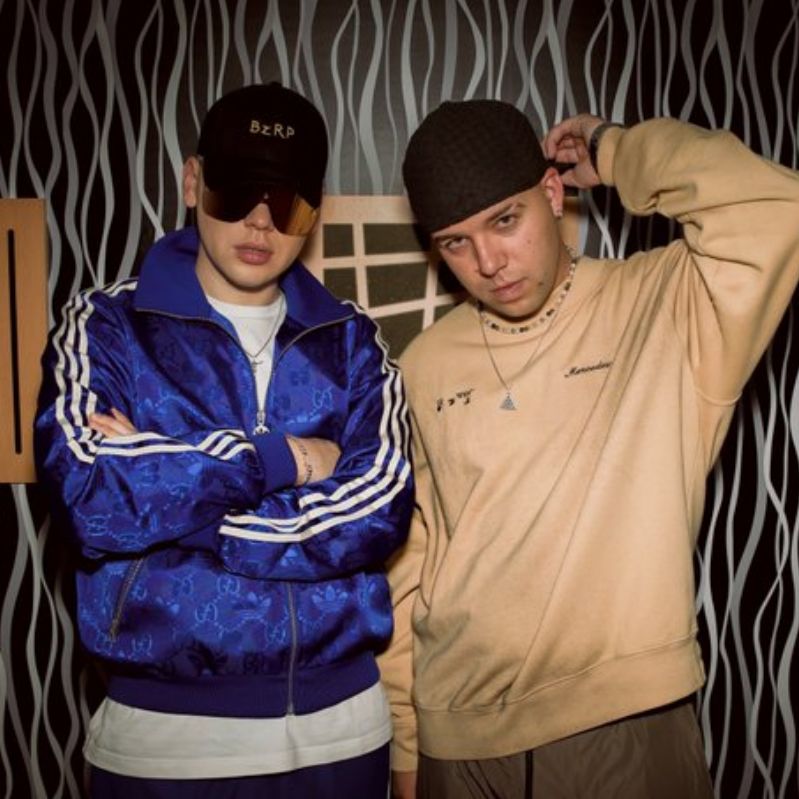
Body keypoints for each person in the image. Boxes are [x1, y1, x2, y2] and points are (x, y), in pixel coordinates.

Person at [378, 99, 799, 798]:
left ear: (551, 193)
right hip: (455, 736)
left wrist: (614, 148)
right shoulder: (423, 364)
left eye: (504, 221)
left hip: (621, 728)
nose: (487, 262)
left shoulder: (666, 301)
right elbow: (410, 562)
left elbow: (778, 208)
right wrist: (408, 739)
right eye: (454, 242)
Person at [34, 82, 413, 798]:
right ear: (192, 181)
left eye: (287, 202)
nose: (260, 221)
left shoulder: (352, 340)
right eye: (236, 190)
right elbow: (92, 494)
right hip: (165, 743)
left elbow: (379, 509)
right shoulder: (106, 325)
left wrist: (179, 503)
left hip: (342, 730)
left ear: (314, 211)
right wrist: (286, 459)